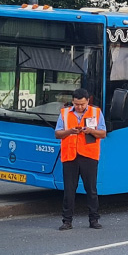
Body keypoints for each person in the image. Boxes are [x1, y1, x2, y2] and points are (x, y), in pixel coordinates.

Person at [55, 88, 107, 230]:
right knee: (69, 190)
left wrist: (90, 131)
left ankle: (94, 219)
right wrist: (70, 131)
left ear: (87, 101)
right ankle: (67, 221)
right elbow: (58, 134)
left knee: (91, 189)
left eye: (82, 104)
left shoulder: (96, 112)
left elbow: (102, 133)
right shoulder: (65, 113)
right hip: (70, 156)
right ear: (73, 101)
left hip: (89, 155)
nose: (79, 107)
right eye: (77, 104)